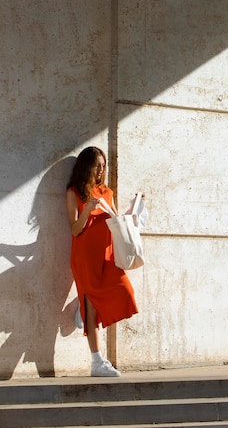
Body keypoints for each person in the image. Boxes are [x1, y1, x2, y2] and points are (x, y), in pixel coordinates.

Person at [66, 146, 138, 377]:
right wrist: (86, 210)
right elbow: (75, 230)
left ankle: (83, 297)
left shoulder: (107, 192)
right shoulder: (74, 193)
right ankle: (97, 362)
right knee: (92, 311)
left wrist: (135, 208)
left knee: (126, 291)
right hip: (85, 257)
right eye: (97, 165)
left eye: (103, 165)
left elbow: (117, 221)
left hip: (107, 256)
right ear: (86, 166)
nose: (101, 169)